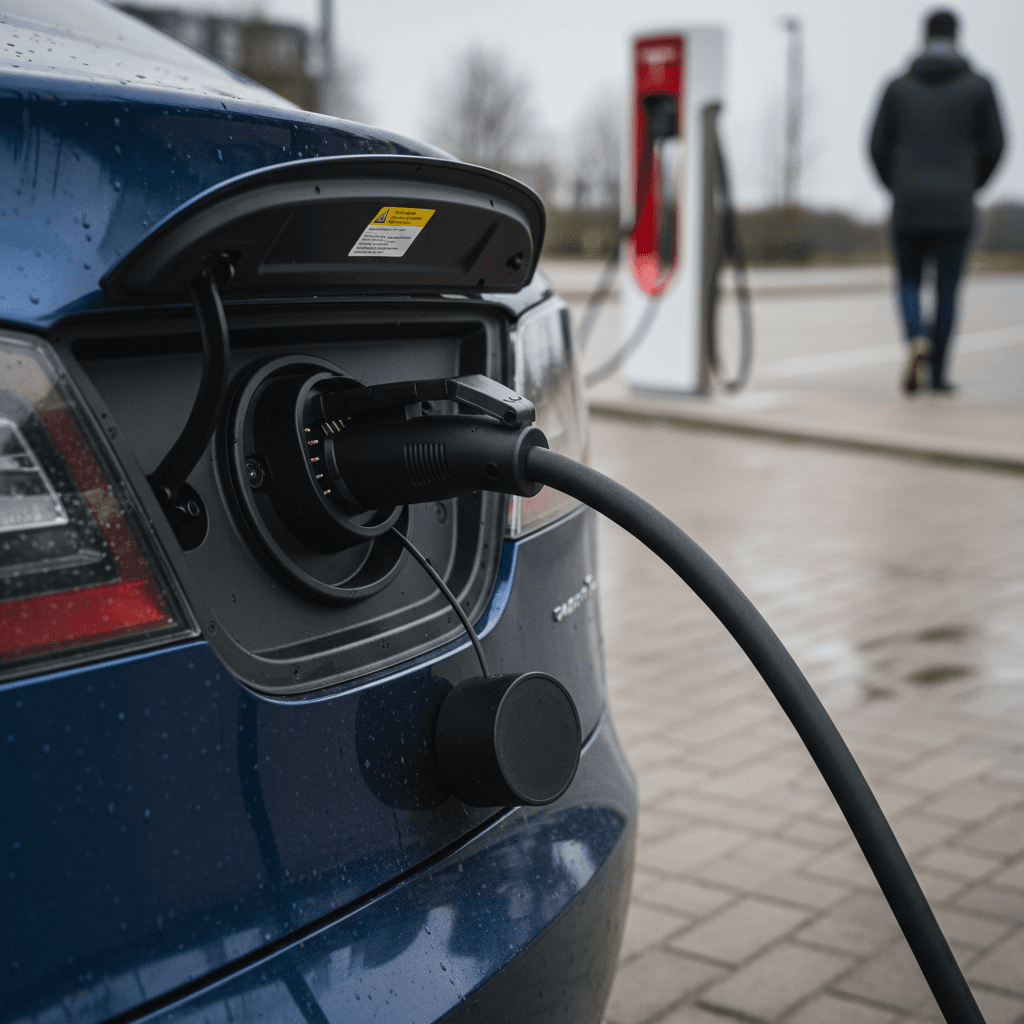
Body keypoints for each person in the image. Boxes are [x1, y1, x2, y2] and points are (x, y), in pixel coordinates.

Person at [869, 8, 1004, 394]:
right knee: (947, 289)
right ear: (957, 36)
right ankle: (939, 374)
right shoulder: (979, 86)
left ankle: (916, 337)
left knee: (908, 280)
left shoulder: (898, 87)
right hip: (955, 205)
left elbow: (876, 145)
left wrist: (896, 184)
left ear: (923, 36)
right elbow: (997, 144)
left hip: (909, 202)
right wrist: (970, 183)